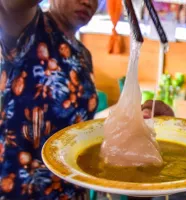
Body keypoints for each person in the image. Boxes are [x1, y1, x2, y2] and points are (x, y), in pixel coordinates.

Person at [0, 0, 173, 199]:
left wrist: (134, 124)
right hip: (21, 189)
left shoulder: (82, 54)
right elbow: (9, 4)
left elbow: (81, 126)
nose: (88, 2)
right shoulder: (27, 29)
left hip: (72, 190)